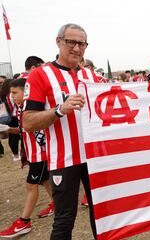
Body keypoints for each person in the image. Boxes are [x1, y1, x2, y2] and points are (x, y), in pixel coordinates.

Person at [22, 23, 101, 239]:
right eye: (71, 42)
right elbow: (27, 122)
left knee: (102, 214)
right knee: (65, 219)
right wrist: (59, 110)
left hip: (95, 159)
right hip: (64, 159)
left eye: (81, 44)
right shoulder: (40, 75)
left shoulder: (92, 77)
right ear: (58, 42)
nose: (76, 48)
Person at [0, 78, 54, 238]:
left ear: (27, 91)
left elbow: (38, 129)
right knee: (45, 181)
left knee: (31, 186)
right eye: (11, 94)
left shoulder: (34, 107)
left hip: (41, 153)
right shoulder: (19, 108)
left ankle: (24, 222)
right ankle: (57, 205)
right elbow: (24, 131)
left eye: (15, 93)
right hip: (33, 153)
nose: (12, 97)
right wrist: (8, 129)